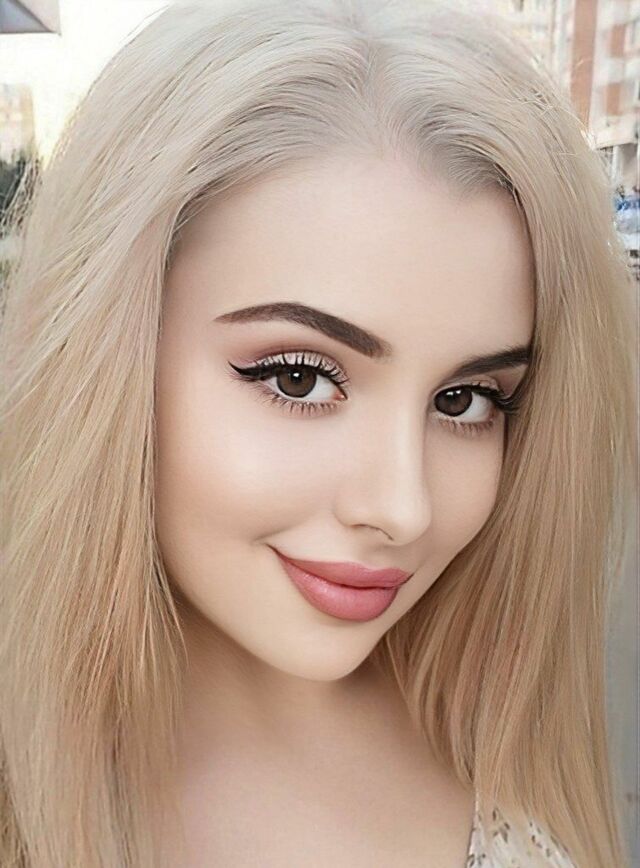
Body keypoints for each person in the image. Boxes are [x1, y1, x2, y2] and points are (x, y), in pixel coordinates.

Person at [0, 0, 636, 866]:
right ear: (105, 358)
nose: (402, 509)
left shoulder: (498, 716)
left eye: (465, 401)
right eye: (298, 377)